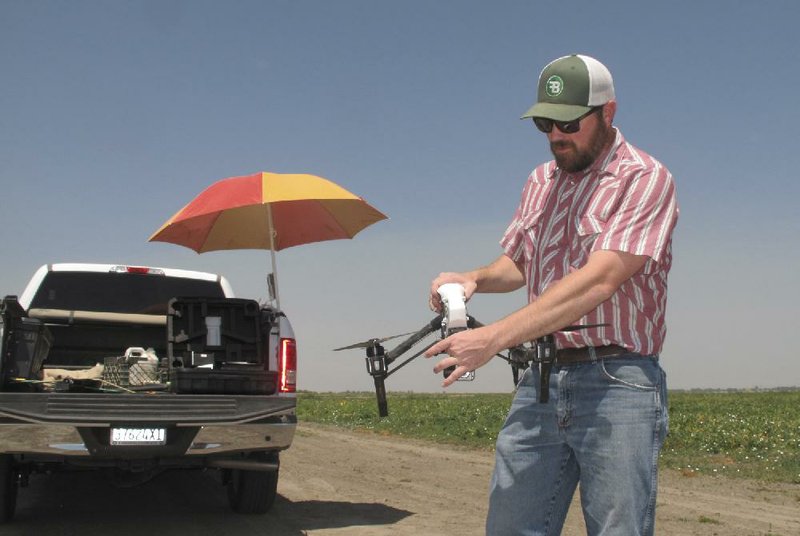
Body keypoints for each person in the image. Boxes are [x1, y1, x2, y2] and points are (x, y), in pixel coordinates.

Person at [425, 54, 679, 535]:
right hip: (542, 377)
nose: (555, 135)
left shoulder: (646, 179)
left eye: (568, 121)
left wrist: (494, 337)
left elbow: (600, 278)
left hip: (617, 379)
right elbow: (518, 263)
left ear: (608, 112)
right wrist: (476, 277)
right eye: (544, 122)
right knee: (510, 526)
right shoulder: (540, 182)